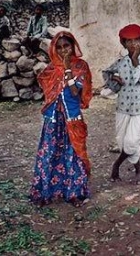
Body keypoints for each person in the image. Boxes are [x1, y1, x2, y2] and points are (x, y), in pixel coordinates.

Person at [30, 31, 92, 206]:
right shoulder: (50, 70)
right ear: (54, 49)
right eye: (59, 47)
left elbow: (74, 93)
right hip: (53, 119)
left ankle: (74, 193)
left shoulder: (81, 67)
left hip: (72, 118)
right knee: (49, 153)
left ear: (73, 46)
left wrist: (67, 69)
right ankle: (44, 192)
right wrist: (61, 69)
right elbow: (47, 91)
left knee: (73, 154)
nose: (64, 50)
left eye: (67, 46)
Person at [105, 24, 140, 185]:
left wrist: (135, 60)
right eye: (129, 41)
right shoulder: (120, 62)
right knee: (121, 141)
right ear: (123, 44)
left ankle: (117, 164)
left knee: (132, 141)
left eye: (136, 40)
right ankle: (139, 169)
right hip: (123, 106)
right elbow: (107, 73)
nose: (133, 44)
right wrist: (115, 81)